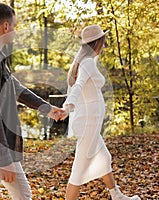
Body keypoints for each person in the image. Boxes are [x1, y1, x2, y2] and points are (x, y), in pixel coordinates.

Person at [0, 2, 63, 199]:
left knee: (24, 195)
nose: (15, 31)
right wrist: (4, 160)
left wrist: (47, 108)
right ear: (5, 26)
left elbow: (15, 87)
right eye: (14, 26)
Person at [59, 25, 141, 200]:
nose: (104, 46)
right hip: (89, 123)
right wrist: (67, 106)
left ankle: (116, 195)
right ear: (97, 43)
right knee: (79, 170)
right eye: (103, 42)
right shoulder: (87, 62)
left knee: (104, 158)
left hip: (91, 123)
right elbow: (78, 86)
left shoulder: (84, 62)